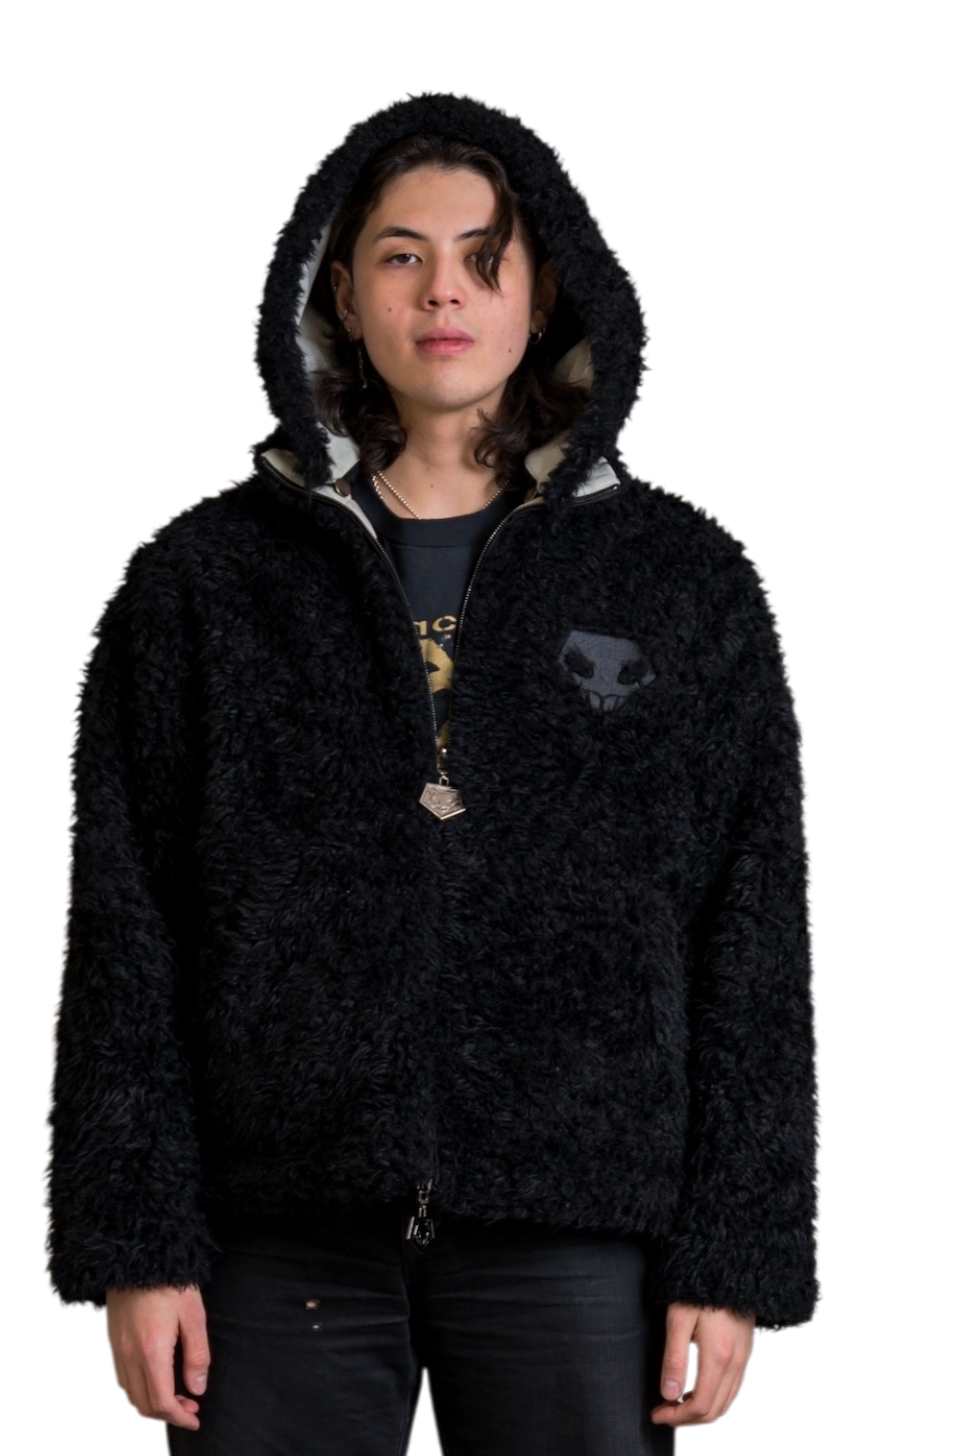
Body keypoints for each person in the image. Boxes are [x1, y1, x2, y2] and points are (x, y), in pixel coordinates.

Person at [43, 91, 821, 1454]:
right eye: (401, 256)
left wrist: (737, 1253)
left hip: (580, 1226)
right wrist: (136, 1242)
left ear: (547, 290)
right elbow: (125, 930)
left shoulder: (686, 581)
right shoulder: (201, 585)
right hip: (274, 1232)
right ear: (341, 293)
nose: (442, 291)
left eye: (483, 256)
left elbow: (752, 934)